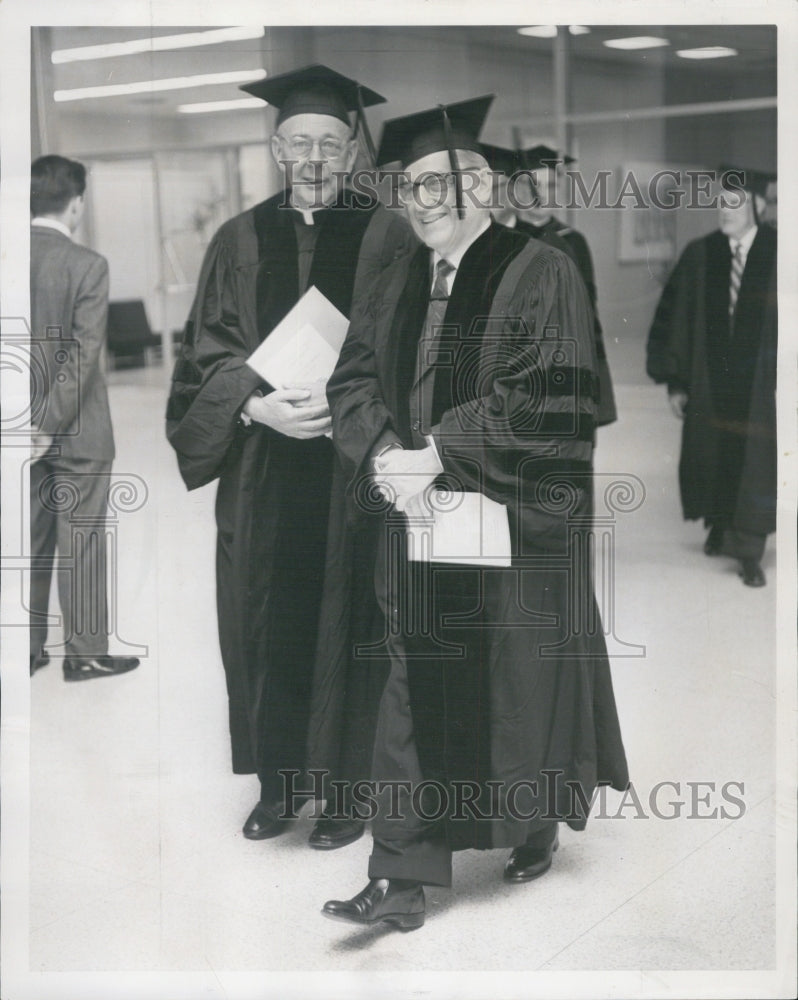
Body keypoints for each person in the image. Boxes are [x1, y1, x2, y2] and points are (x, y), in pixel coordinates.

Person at [322, 97, 629, 930]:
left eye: (440, 185)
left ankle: (532, 822)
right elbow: (351, 380)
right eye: (410, 188)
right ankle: (401, 875)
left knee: (516, 681)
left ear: (484, 188)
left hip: (514, 516)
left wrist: (438, 452)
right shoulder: (394, 279)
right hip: (416, 514)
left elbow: (549, 396)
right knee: (411, 677)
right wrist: (384, 453)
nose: (422, 202)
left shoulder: (540, 269)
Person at [165, 65, 414, 846]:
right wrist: (252, 403)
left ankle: (346, 794)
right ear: (277, 149)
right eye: (299, 142)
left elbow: (404, 348)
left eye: (329, 144)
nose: (313, 158)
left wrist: (350, 408)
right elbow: (205, 351)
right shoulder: (239, 238)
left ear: (352, 153)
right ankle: (279, 786)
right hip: (261, 470)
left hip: (350, 468)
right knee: (263, 620)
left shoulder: (388, 235)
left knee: (354, 619)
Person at [29, 155, 140, 681]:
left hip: (15, 429)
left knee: (27, 540)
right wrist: (49, 424)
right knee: (82, 539)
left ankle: (26, 650)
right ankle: (85, 654)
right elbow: (81, 356)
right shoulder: (87, 264)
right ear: (76, 204)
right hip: (78, 431)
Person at [646, 165, 777, 587]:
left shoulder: (782, 252)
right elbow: (677, 320)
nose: (725, 210)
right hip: (711, 384)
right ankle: (720, 525)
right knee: (713, 453)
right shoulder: (702, 253)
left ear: (759, 206)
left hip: (762, 389)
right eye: (721, 202)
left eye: (735, 203)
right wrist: (676, 382)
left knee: (755, 461)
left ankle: (750, 553)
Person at [507, 144, 616, 428]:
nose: (542, 194)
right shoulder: (499, 241)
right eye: (533, 184)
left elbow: (587, 318)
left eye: (551, 185)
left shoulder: (573, 242)